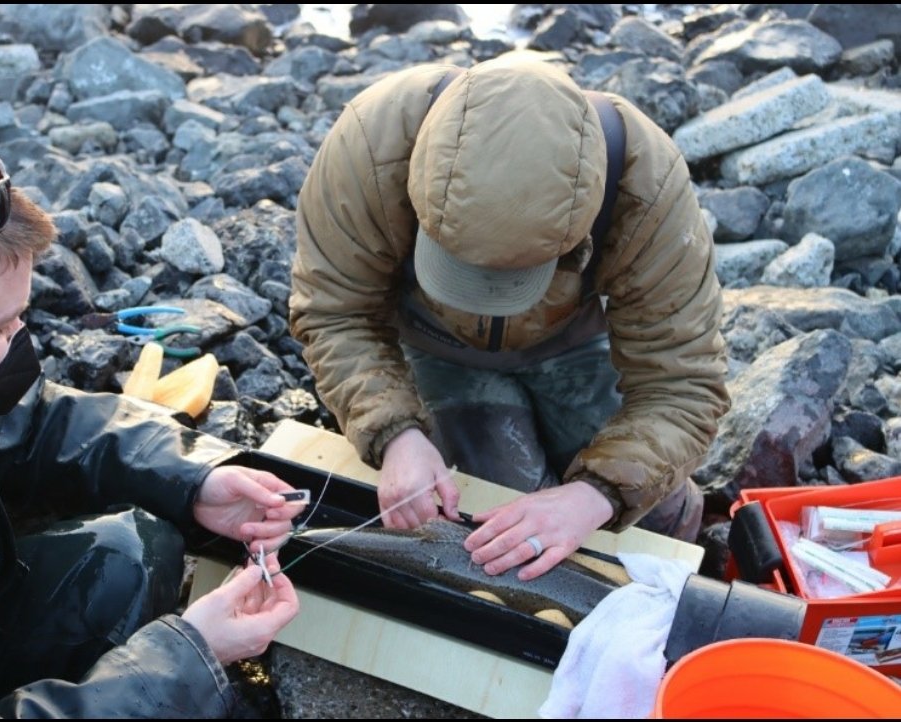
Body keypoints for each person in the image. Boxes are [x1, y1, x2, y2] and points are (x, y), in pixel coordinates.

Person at [0, 108, 301, 718]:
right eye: (0, 327)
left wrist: (196, 477)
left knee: (129, 552)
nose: (21, 341)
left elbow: (35, 422)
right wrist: (190, 658)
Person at [290, 50, 730, 583]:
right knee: (493, 529)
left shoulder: (647, 186)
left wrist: (595, 496)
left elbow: (682, 384)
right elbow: (335, 313)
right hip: (433, 345)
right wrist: (395, 433)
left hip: (571, 342)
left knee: (657, 519)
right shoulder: (368, 145)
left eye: (511, 279)